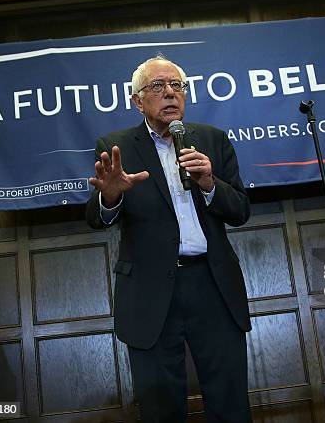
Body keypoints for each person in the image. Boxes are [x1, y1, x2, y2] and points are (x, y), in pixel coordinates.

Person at [85, 55, 252, 423]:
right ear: (137, 101)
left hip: (213, 284)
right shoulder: (116, 146)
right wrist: (110, 196)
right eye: (157, 87)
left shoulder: (211, 140)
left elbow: (240, 210)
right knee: (161, 409)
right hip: (150, 291)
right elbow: (96, 218)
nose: (170, 93)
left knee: (230, 403)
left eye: (176, 85)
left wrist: (210, 184)